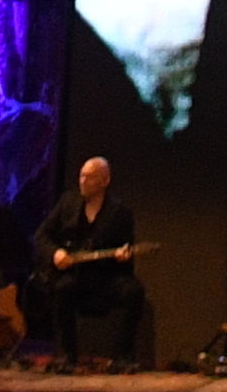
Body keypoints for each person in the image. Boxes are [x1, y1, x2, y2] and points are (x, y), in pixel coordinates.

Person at [40, 151, 149, 364]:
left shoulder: (119, 212)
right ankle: (68, 356)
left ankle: (121, 357)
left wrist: (122, 256)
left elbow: (126, 252)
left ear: (104, 181)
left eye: (89, 177)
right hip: (76, 276)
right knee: (62, 289)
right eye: (81, 176)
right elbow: (42, 235)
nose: (83, 181)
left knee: (134, 292)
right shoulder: (68, 203)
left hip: (106, 278)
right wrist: (56, 253)